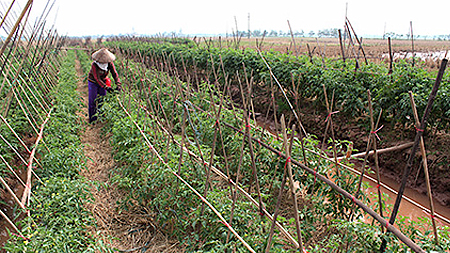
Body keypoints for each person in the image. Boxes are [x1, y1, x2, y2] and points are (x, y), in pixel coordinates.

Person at [88, 48, 122, 123]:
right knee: (93, 100)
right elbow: (97, 78)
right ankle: (92, 119)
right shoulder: (95, 65)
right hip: (93, 82)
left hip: (103, 81)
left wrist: (118, 84)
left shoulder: (109, 63)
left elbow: (114, 74)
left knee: (102, 99)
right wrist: (106, 87)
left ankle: (101, 117)